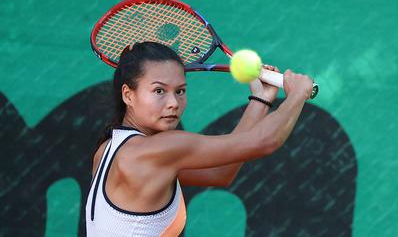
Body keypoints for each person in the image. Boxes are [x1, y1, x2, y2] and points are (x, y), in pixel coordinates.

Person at [85, 41, 313, 236]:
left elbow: (220, 173)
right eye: (159, 91)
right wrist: (297, 95)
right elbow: (264, 142)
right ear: (128, 94)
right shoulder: (158, 149)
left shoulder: (107, 150)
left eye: (180, 91)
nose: (173, 102)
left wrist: (260, 99)